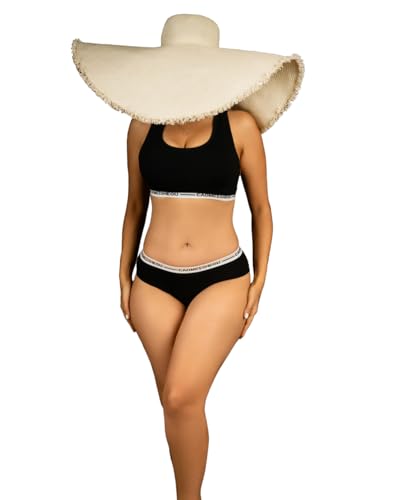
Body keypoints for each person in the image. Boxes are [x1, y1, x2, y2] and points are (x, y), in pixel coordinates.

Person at [72, 13, 304, 500]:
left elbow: (262, 209)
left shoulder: (240, 127)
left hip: (221, 278)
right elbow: (134, 207)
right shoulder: (141, 126)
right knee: (175, 404)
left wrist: (260, 281)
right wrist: (122, 277)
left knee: (181, 397)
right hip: (153, 281)